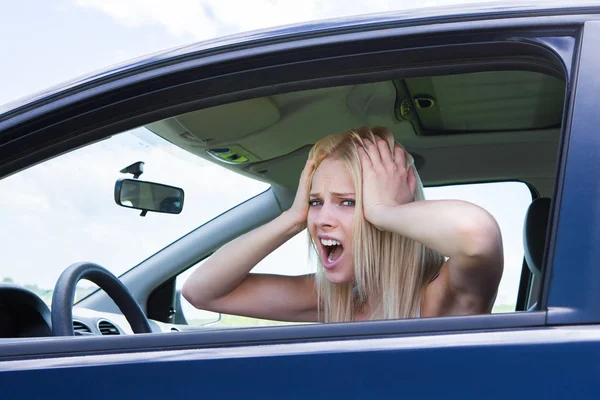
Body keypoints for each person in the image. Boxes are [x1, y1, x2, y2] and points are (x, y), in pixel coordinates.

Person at [182, 126, 503, 322]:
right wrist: (291, 218)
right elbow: (202, 292)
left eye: (348, 202)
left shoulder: (440, 297)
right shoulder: (333, 299)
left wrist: (382, 211)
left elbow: (477, 236)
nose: (321, 219)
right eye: (316, 202)